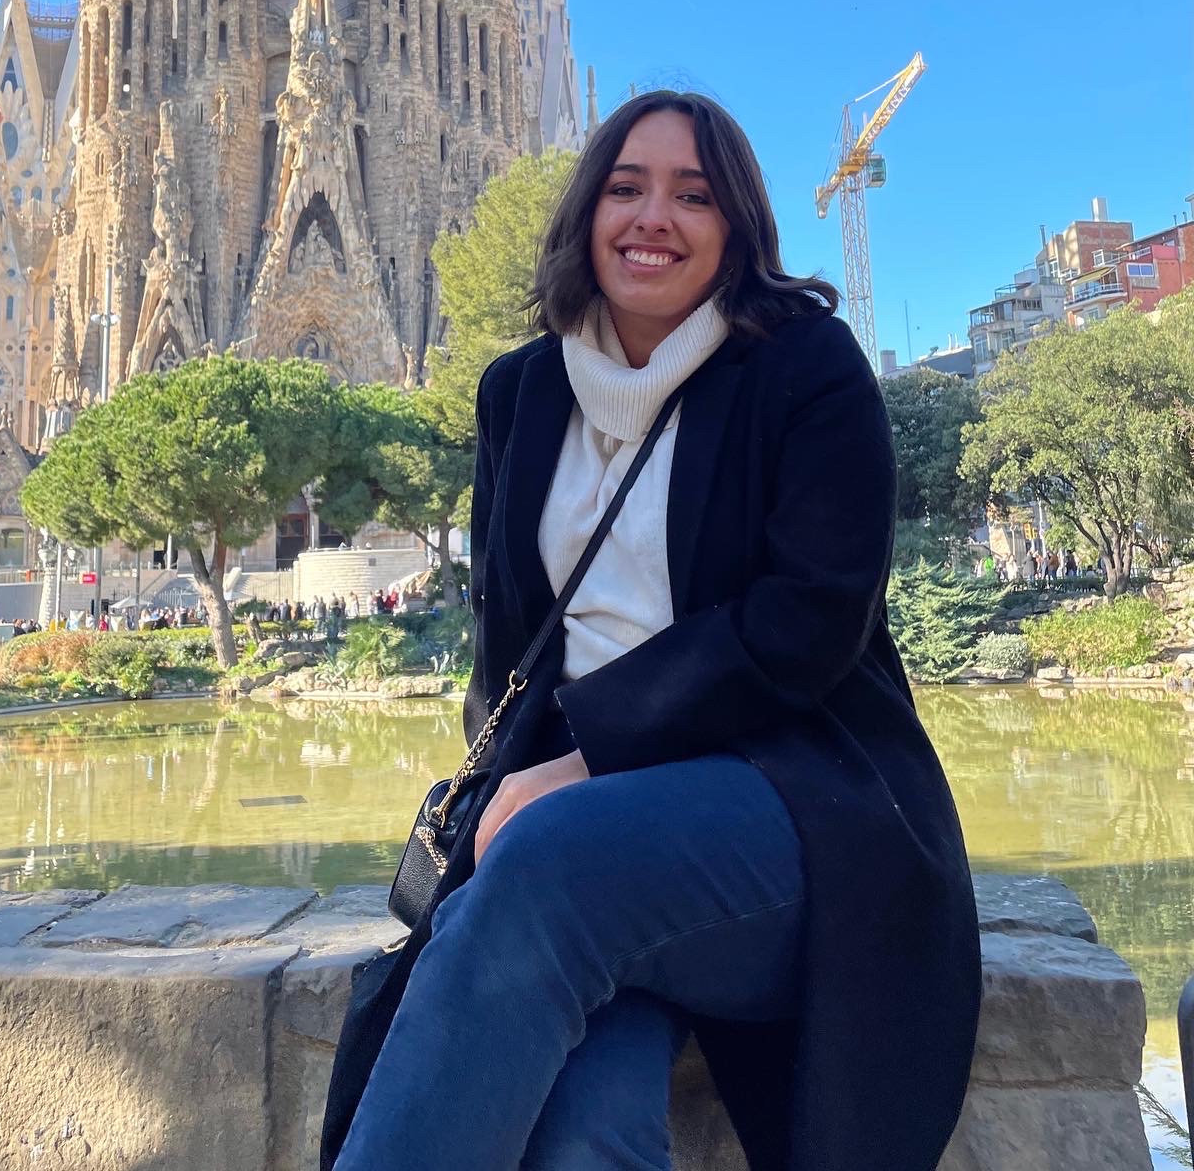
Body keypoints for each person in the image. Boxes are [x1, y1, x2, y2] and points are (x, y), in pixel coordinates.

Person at [324, 90, 979, 1171]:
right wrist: (512, 786)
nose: (653, 217)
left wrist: (584, 766)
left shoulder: (803, 366)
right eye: (626, 188)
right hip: (584, 851)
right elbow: (511, 640)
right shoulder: (521, 393)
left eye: (694, 194)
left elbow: (808, 623)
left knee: (548, 867)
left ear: (738, 229)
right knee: (582, 1127)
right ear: (587, 211)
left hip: (797, 808)